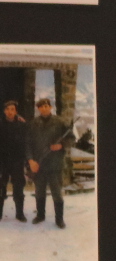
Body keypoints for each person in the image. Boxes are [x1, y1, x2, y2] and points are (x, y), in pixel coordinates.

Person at [24, 96, 69, 228]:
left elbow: (71, 138)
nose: (44, 108)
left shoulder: (60, 122)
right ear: (38, 109)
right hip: (39, 164)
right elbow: (27, 144)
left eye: (46, 106)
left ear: (50, 107)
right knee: (39, 192)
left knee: (57, 193)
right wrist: (31, 161)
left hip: (55, 164)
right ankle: (40, 215)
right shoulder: (33, 124)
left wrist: (61, 145)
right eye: (41, 107)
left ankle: (59, 219)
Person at [0, 100, 26, 221]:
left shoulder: (21, 125)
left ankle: (19, 213)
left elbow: (26, 142)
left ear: (16, 111)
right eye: (7, 109)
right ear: (4, 111)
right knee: (1, 187)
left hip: (17, 161)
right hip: (2, 162)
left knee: (18, 187)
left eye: (12, 109)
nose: (10, 112)